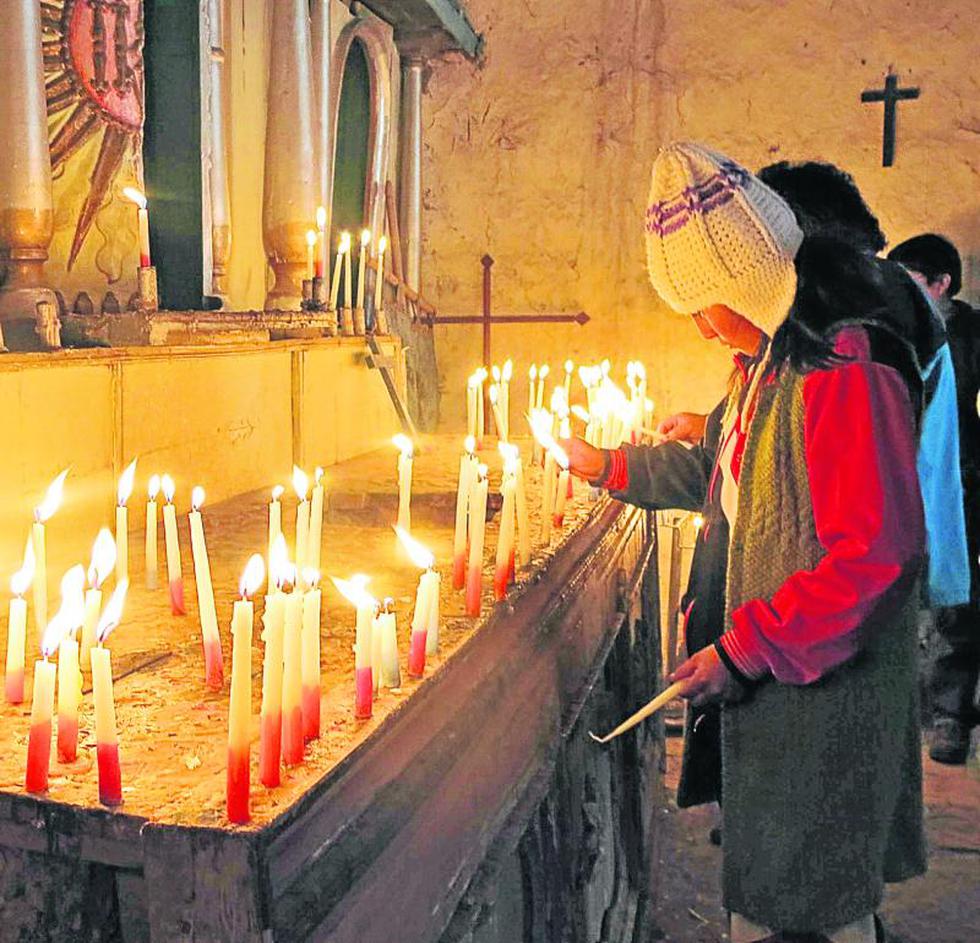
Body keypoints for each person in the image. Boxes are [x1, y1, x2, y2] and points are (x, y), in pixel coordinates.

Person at [566, 142, 926, 943]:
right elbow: (726, 467)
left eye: (699, 305)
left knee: (810, 896)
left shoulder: (841, 366)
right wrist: (609, 465)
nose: (696, 328)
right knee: (786, 886)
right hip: (785, 681)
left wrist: (744, 649)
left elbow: (874, 556)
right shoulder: (767, 356)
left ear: (743, 282)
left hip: (822, 693)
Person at [888, 233, 980, 764]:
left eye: (914, 281)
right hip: (909, 483)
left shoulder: (971, 338)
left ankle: (950, 716)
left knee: (956, 607)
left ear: (942, 284)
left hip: (964, 487)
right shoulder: (901, 331)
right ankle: (912, 710)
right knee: (907, 596)